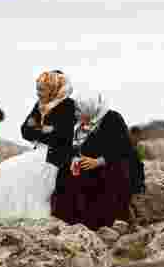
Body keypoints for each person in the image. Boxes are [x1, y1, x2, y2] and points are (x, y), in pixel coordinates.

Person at [0, 70, 75, 220]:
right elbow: (25, 130)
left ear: (53, 88)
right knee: (4, 169)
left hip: (55, 157)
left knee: (15, 171)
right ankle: (6, 216)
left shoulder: (69, 106)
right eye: (38, 88)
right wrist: (45, 129)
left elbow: (62, 136)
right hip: (39, 152)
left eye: (42, 89)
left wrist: (39, 129)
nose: (38, 93)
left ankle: (29, 216)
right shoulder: (40, 105)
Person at [53, 95, 133, 230]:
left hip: (109, 166)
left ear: (89, 108)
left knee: (100, 181)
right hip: (86, 166)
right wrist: (74, 159)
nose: (77, 115)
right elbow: (72, 147)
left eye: (80, 112)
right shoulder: (80, 124)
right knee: (64, 173)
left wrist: (98, 161)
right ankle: (68, 219)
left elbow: (124, 148)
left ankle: (99, 222)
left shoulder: (113, 119)